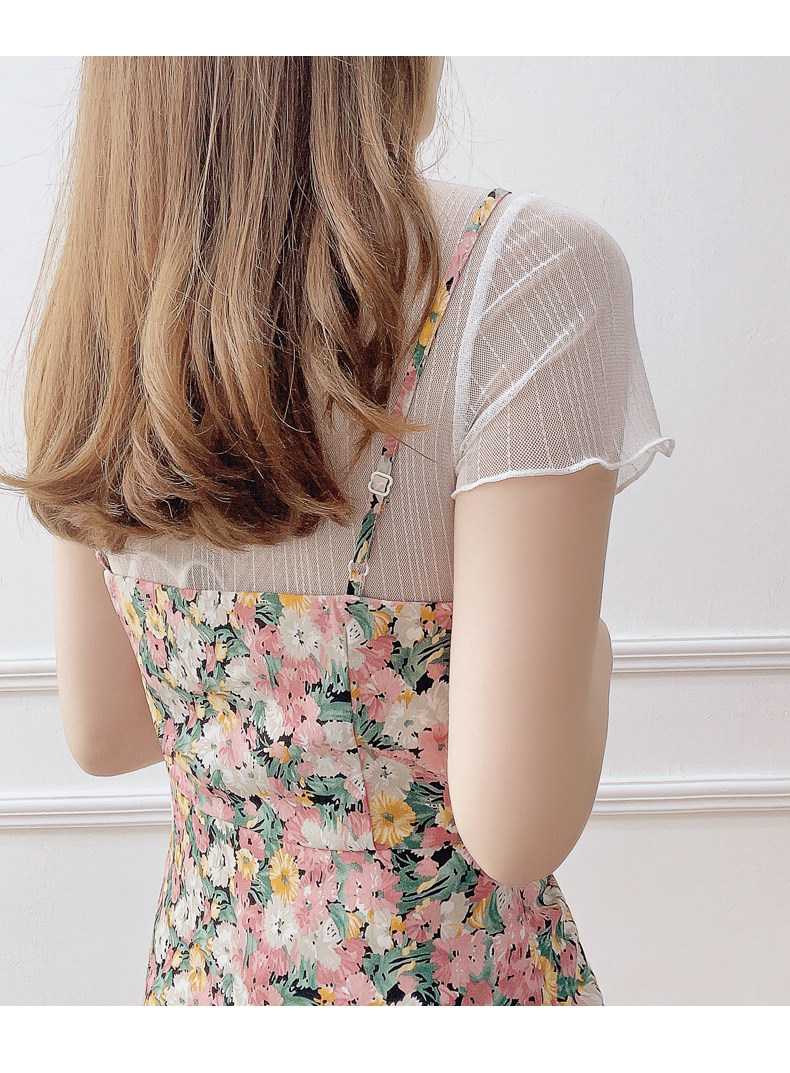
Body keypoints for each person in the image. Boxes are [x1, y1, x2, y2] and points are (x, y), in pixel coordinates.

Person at [2, 56, 674, 1005]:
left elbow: (106, 729)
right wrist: (590, 653)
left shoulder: (112, 292)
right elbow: (519, 827)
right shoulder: (526, 273)